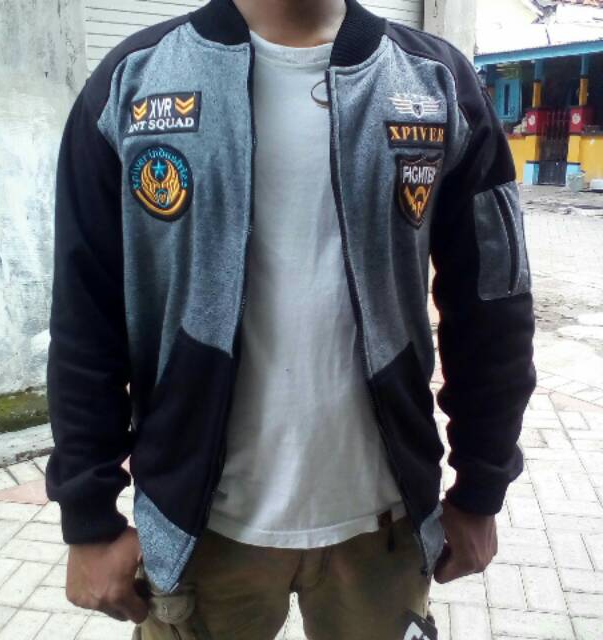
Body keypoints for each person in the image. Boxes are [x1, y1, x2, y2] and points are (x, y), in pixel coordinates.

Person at [45, 0, 536, 638]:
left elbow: (493, 302)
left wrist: (481, 488)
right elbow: (85, 316)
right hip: (201, 532)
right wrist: (88, 517)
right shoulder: (131, 83)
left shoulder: (438, 85)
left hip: (383, 528)